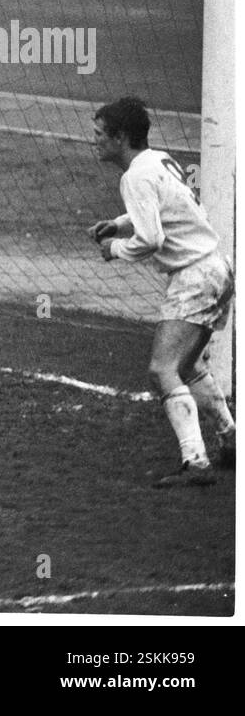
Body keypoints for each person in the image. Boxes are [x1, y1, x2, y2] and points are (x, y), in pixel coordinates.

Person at [88, 96, 235, 487]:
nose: (95, 142)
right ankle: (230, 437)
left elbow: (151, 237)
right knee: (187, 366)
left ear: (121, 137)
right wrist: (119, 225)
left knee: (162, 369)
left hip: (193, 277)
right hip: (217, 270)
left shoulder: (133, 176)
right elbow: (167, 207)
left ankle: (196, 462)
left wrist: (115, 249)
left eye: (100, 135)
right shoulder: (158, 160)